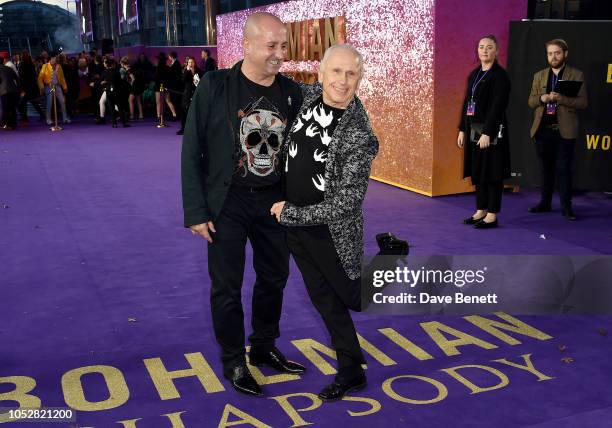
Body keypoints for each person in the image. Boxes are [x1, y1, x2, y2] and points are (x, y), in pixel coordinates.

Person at [181, 12, 305, 396]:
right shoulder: (215, 87)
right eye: (271, 46)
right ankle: (234, 360)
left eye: (283, 46)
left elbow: (301, 152)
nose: (279, 54)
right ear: (247, 45)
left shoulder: (291, 92)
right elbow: (192, 150)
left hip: (274, 203)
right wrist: (196, 211)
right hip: (227, 202)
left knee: (274, 279)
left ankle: (264, 347)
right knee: (226, 287)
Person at [269, 44, 378, 401]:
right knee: (323, 299)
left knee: (353, 298)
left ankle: (393, 258)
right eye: (336, 72)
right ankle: (351, 370)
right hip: (296, 226)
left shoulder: (360, 134)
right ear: (321, 73)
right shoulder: (307, 96)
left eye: (351, 74)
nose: (343, 81)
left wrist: (292, 214)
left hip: (330, 229)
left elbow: (348, 202)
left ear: (359, 78)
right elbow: (270, 83)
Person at [527, 39, 587, 221]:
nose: (553, 57)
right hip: (542, 130)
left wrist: (562, 98)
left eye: (557, 53)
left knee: (563, 169)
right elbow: (530, 101)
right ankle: (545, 203)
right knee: (546, 169)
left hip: (564, 130)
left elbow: (583, 103)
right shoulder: (539, 75)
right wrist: (542, 98)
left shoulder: (576, 75)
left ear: (565, 54)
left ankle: (566, 208)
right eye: (550, 53)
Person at [457, 35, 511, 229]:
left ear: (496, 51)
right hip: (473, 130)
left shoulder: (500, 76)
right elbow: (467, 103)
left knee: (493, 173)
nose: (484, 51)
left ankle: (492, 214)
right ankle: (481, 210)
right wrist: (462, 129)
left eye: (489, 47)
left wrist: (487, 132)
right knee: (478, 171)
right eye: (481, 47)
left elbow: (498, 107)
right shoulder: (474, 74)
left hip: (491, 132)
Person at [37, 52, 70, 126]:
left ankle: (65, 118)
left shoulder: (59, 66)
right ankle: (48, 119)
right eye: (55, 58)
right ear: (51, 58)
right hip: (49, 87)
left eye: (56, 58)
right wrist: (41, 87)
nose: (56, 59)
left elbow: (62, 78)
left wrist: (65, 87)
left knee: (62, 101)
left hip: (57, 86)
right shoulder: (45, 66)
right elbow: (40, 78)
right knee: (49, 102)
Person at [176, 57, 200, 135]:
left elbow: (201, 81)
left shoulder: (198, 71)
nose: (191, 64)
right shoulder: (185, 71)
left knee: (195, 113)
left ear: (194, 63)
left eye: (192, 62)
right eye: (189, 62)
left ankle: (195, 130)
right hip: (187, 94)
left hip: (196, 94)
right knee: (184, 112)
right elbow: (182, 80)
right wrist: (187, 71)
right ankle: (183, 129)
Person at [0, 53, 20, 130]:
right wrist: (19, 89)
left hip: (4, 91)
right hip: (13, 90)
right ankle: (13, 125)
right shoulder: (9, 68)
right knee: (12, 108)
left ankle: (4, 124)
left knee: (4, 108)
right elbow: (17, 78)